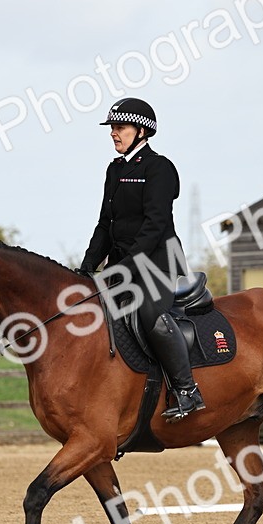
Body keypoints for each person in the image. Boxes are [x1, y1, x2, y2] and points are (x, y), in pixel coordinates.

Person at [78, 98, 205, 422]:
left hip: (158, 260)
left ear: (141, 131)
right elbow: (105, 223)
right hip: (125, 263)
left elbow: (155, 224)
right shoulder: (115, 169)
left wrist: (124, 267)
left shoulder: (159, 168)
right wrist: (87, 266)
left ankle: (187, 390)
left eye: (119, 128)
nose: (113, 134)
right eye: (112, 129)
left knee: (150, 313)